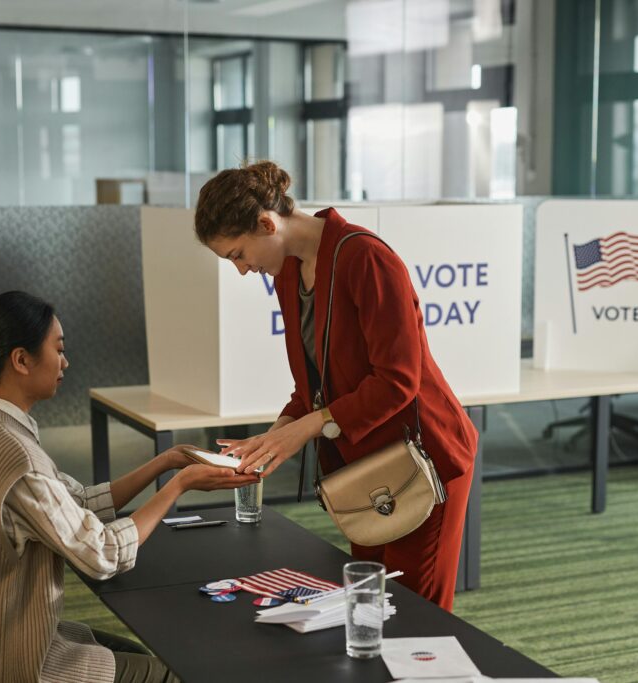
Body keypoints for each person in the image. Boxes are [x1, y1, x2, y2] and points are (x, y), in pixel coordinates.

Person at [0, 291, 258, 682]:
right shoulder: (14, 457)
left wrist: (167, 461)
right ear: (21, 360)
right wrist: (178, 486)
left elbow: (75, 502)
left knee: (135, 652)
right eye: (58, 350)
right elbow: (101, 554)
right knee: (168, 672)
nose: (65, 362)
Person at [194, 161, 479, 611]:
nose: (243, 270)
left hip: (426, 459)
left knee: (415, 617)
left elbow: (397, 381)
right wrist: (273, 438)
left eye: (238, 255)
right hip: (366, 465)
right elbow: (314, 387)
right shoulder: (290, 273)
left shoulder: (365, 257)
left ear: (268, 224)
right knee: (369, 606)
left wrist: (304, 429)